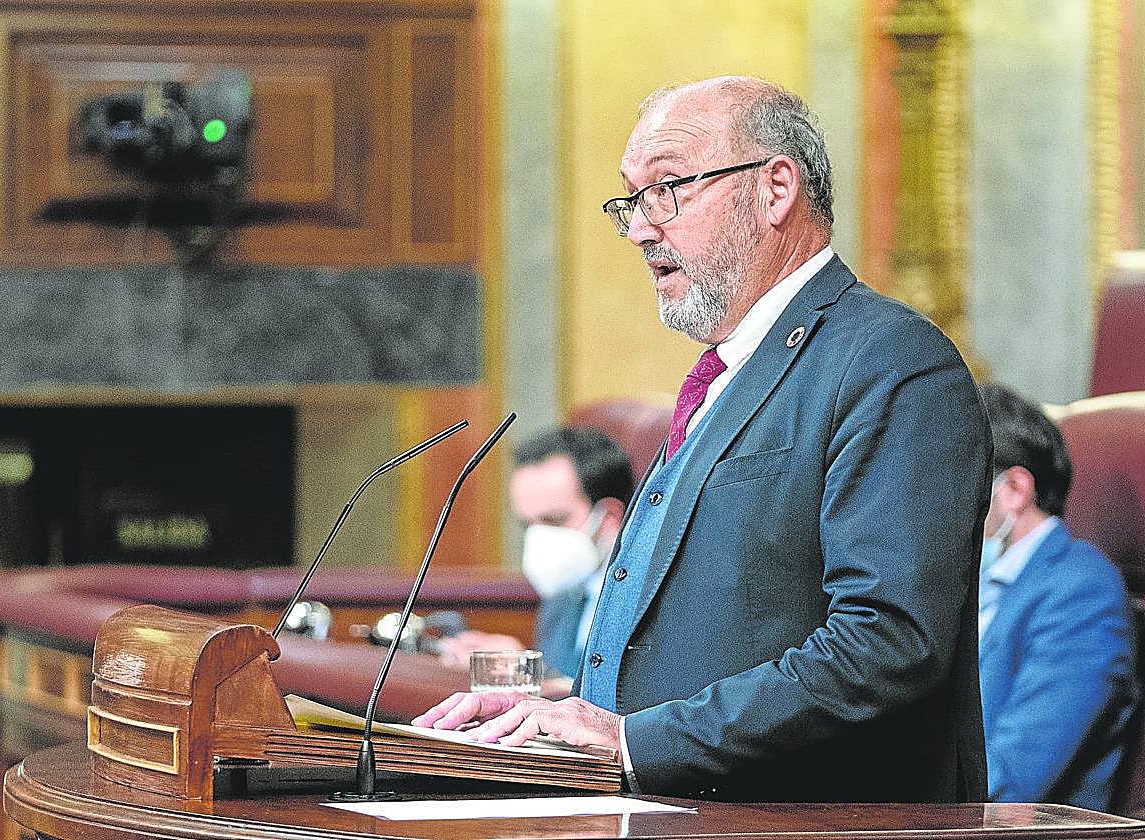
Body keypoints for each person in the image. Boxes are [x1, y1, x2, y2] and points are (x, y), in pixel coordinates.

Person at [415, 75, 991, 803]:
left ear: (775, 189)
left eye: (668, 189)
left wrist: (632, 742)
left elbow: (887, 645)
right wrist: (560, 715)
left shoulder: (892, 363)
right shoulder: (724, 373)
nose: (640, 228)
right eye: (631, 200)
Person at [977, 382, 1136, 810]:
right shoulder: (976, 581)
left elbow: (1012, 779)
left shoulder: (1082, 595)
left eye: (956, 483)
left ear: (1013, 489)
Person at [438, 425, 632, 684]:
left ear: (609, 518)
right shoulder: (563, 597)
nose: (539, 538)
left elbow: (616, 705)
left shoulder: (647, 600)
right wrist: (521, 665)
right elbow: (564, 684)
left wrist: (524, 668)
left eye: (553, 521)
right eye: (527, 524)